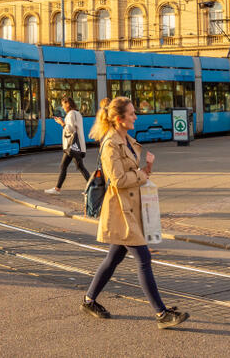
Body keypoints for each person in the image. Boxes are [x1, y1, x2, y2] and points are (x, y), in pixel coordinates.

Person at [81, 97, 188, 329]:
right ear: (119, 119)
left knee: (115, 257)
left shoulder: (125, 139)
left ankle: (89, 300)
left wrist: (144, 170)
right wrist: (141, 175)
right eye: (131, 114)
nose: (135, 117)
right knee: (143, 259)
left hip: (131, 206)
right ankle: (161, 314)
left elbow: (131, 173)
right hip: (121, 209)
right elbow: (117, 179)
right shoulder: (110, 144)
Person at [45, 96, 90, 194]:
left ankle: (93, 187)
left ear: (67, 104)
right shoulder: (77, 113)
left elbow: (70, 129)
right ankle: (57, 188)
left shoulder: (70, 114)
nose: (62, 107)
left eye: (63, 105)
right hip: (76, 146)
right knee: (71, 166)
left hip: (72, 146)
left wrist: (62, 123)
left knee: (71, 166)